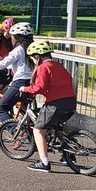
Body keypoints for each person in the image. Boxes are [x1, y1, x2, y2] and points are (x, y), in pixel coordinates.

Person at [19, 41, 77, 172]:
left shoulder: (43, 68)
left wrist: (25, 88)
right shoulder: (58, 65)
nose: (33, 61)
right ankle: (69, 155)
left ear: (37, 57)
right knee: (58, 127)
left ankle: (44, 163)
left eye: (32, 58)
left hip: (55, 103)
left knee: (38, 130)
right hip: (70, 101)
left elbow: (39, 88)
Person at [0, 22, 35, 124]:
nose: (11, 39)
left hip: (20, 83)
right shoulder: (32, 49)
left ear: (18, 37)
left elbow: (3, 64)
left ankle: (14, 132)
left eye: (12, 37)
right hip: (32, 82)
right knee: (26, 109)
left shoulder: (18, 50)